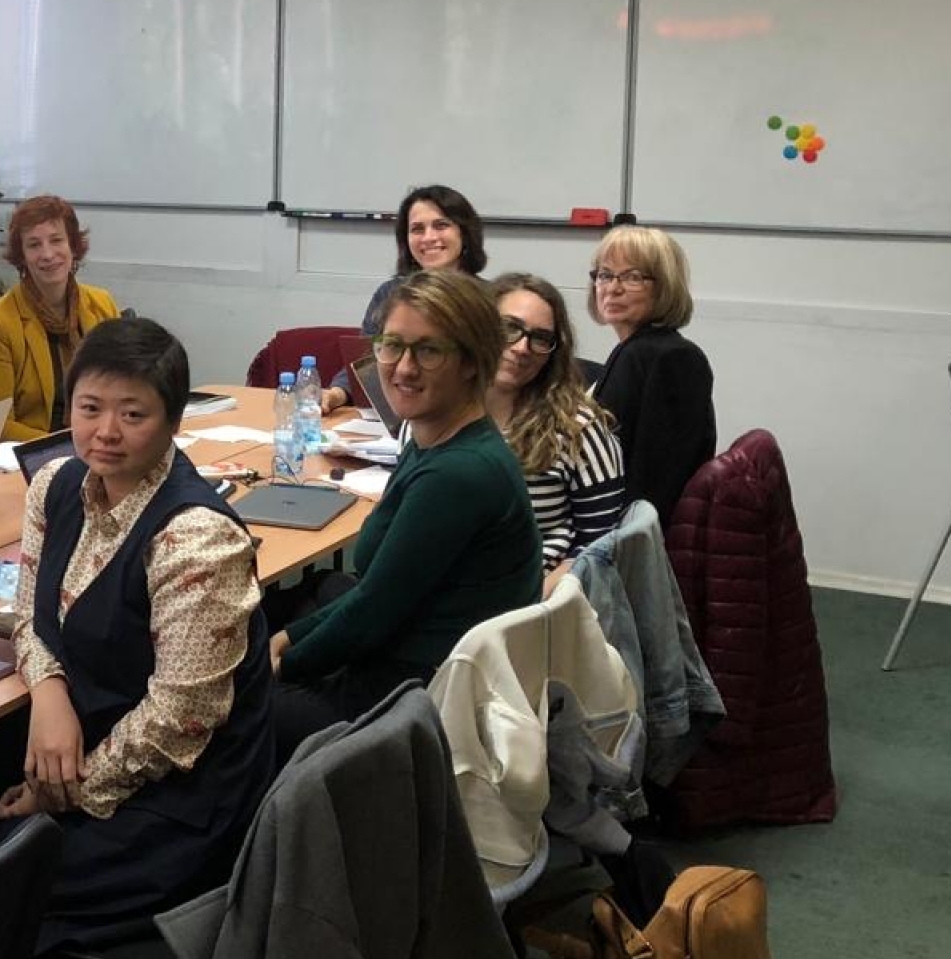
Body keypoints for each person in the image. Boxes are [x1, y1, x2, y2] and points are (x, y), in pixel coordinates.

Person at [5, 317, 275, 952]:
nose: (105, 432)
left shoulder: (195, 537)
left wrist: (58, 795)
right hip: (91, 738)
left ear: (174, 421)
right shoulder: (56, 485)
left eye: (133, 415)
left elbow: (178, 715)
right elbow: (29, 616)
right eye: (90, 408)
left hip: (180, 797)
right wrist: (46, 691)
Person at [272, 269, 542, 755]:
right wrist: (286, 640)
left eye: (429, 350)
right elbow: (373, 597)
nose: (402, 367)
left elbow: (372, 612)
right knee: (306, 603)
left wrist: (279, 662)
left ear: (471, 362)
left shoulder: (457, 474)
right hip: (413, 657)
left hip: (417, 698)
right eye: (391, 344)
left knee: (229, 701)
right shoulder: (435, 438)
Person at [486, 272, 629, 573]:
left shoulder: (577, 428)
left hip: (530, 601)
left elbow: (601, 546)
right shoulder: (437, 415)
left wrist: (538, 598)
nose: (522, 347)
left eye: (540, 338)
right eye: (509, 328)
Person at [587, 224, 716, 525]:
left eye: (632, 277)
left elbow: (653, 480)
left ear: (664, 287)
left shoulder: (667, 356)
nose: (613, 288)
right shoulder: (636, 349)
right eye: (605, 274)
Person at [321, 183, 486, 412]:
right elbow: (366, 361)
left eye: (441, 225)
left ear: (465, 233)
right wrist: (337, 393)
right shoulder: (390, 293)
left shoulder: (490, 299)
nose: (428, 237)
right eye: (417, 229)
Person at [0, 194, 120, 442]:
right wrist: (68, 445)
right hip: (37, 453)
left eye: (56, 240)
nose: (47, 254)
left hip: (102, 441)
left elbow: (124, 386)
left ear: (73, 245)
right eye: (34, 244)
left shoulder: (102, 305)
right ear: (22, 256)